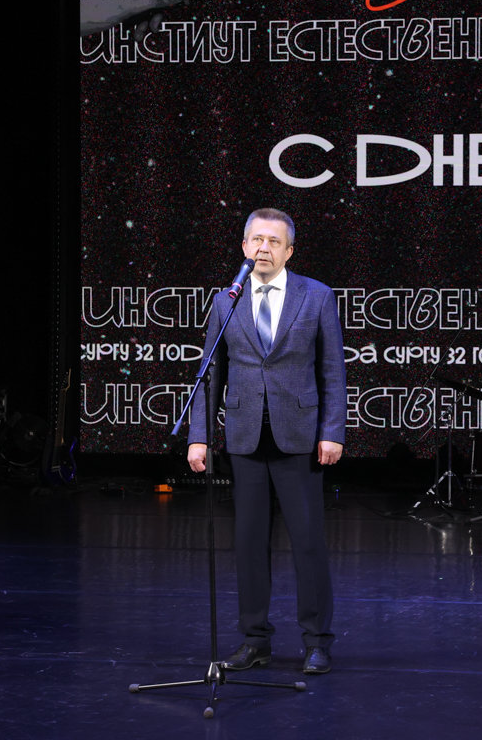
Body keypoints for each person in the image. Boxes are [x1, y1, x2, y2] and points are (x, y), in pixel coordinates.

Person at [187, 208, 346, 675]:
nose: (264, 248)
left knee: (307, 544)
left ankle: (316, 642)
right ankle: (255, 640)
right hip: (245, 437)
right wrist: (199, 437)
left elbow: (332, 371)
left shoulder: (316, 296)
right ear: (244, 246)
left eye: (274, 242)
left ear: (288, 251)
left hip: (299, 437)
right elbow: (210, 374)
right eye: (257, 240)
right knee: (249, 544)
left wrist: (332, 431)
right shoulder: (226, 301)